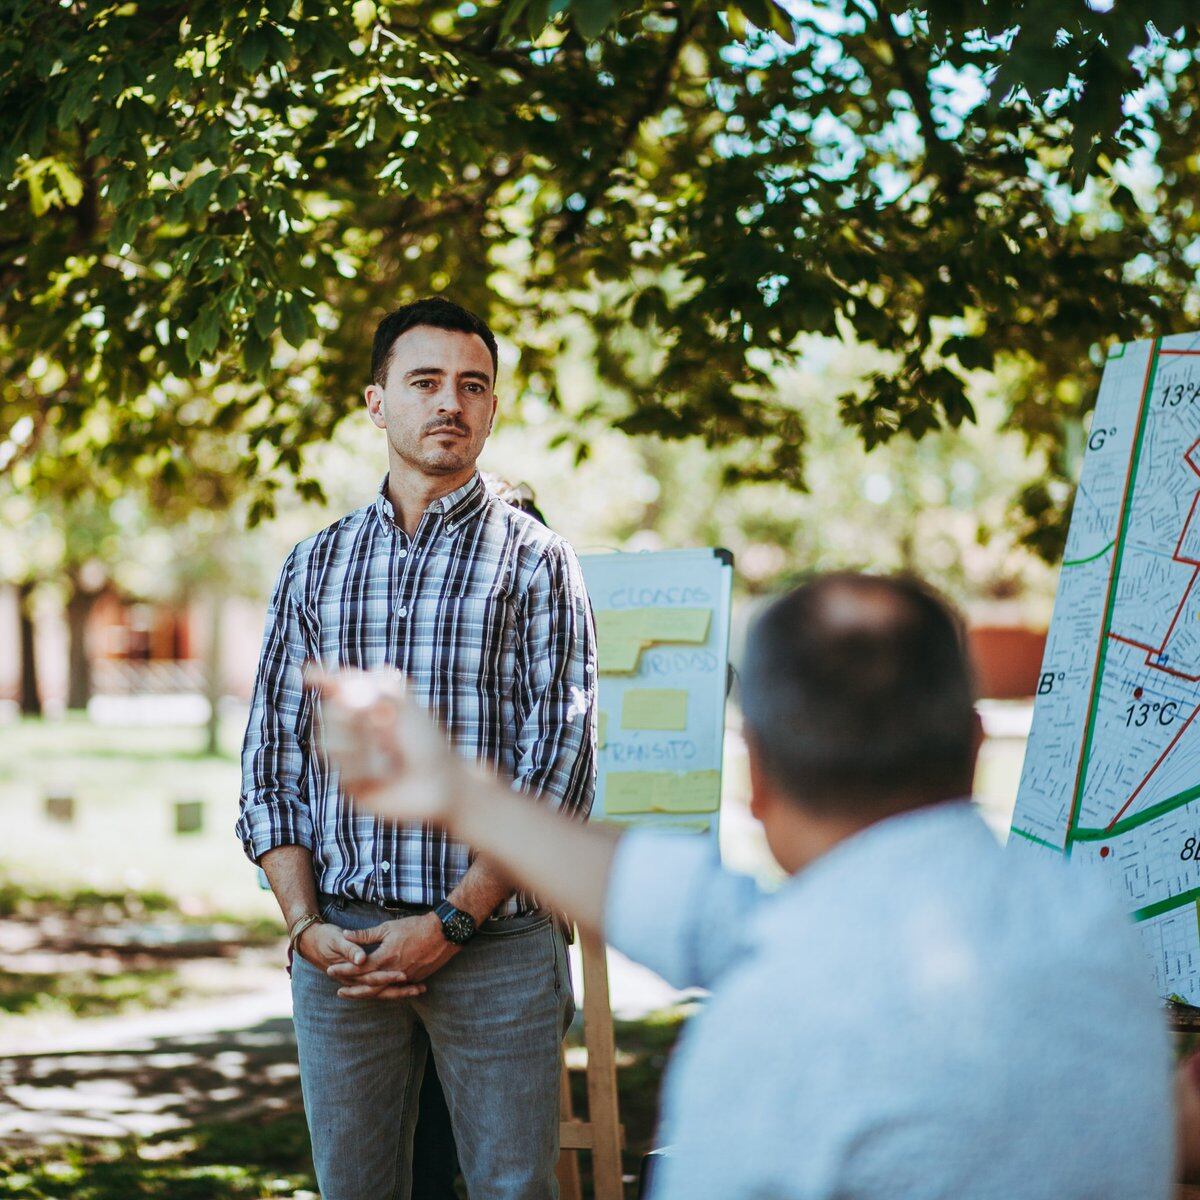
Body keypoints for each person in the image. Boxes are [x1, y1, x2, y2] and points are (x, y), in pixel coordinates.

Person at [317, 572, 1175, 1200]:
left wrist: (451, 791)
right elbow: (700, 913)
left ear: (754, 779)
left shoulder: (770, 1037)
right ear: (977, 744)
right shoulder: (1096, 927)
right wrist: (461, 794)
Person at [236, 296, 596, 1200]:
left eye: (473, 386)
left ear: (493, 407)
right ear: (376, 401)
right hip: (341, 952)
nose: (450, 403)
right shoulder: (314, 565)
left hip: (497, 945)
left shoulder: (538, 562)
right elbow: (273, 759)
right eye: (425, 381)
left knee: (513, 1188)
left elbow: (559, 765)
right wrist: (305, 926)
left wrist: (454, 922)